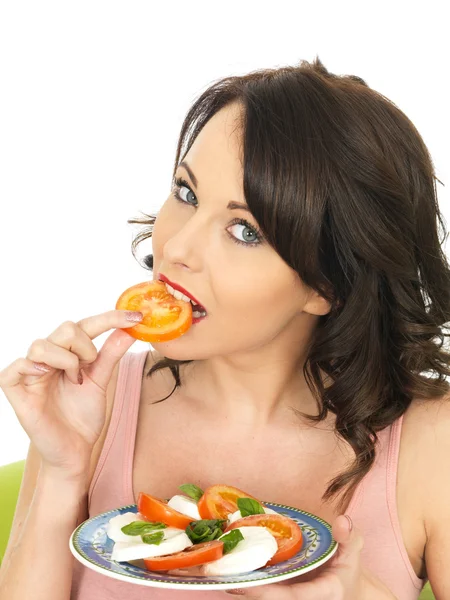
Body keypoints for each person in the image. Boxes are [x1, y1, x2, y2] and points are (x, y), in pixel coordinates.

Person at [0, 56, 449, 600]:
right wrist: (61, 470)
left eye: (244, 229)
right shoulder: (95, 402)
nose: (179, 248)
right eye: (187, 194)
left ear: (325, 284)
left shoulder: (432, 441)